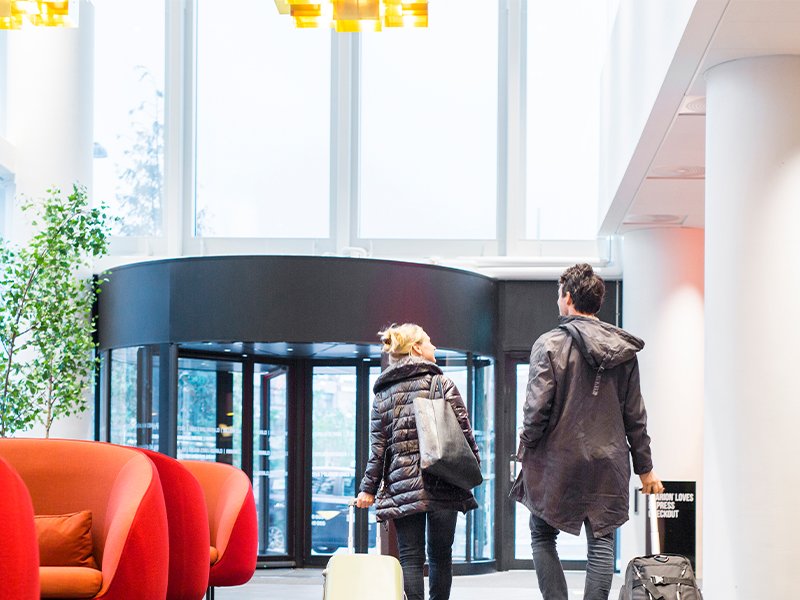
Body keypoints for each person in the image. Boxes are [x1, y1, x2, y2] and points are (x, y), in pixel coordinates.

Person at [511, 263, 664, 600]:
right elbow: (634, 415)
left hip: (556, 462)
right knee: (602, 541)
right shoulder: (623, 352)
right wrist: (646, 470)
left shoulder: (549, 344)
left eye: (558, 296)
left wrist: (526, 449)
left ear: (568, 298)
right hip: (608, 463)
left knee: (541, 535)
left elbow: (536, 410)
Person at [356, 323, 480, 600]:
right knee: (440, 556)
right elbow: (464, 433)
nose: (434, 346)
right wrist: (473, 469)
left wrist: (368, 489)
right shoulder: (442, 383)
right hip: (445, 480)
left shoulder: (383, 396)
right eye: (428, 341)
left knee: (410, 558)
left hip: (403, 487)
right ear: (415, 348)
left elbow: (379, 450)